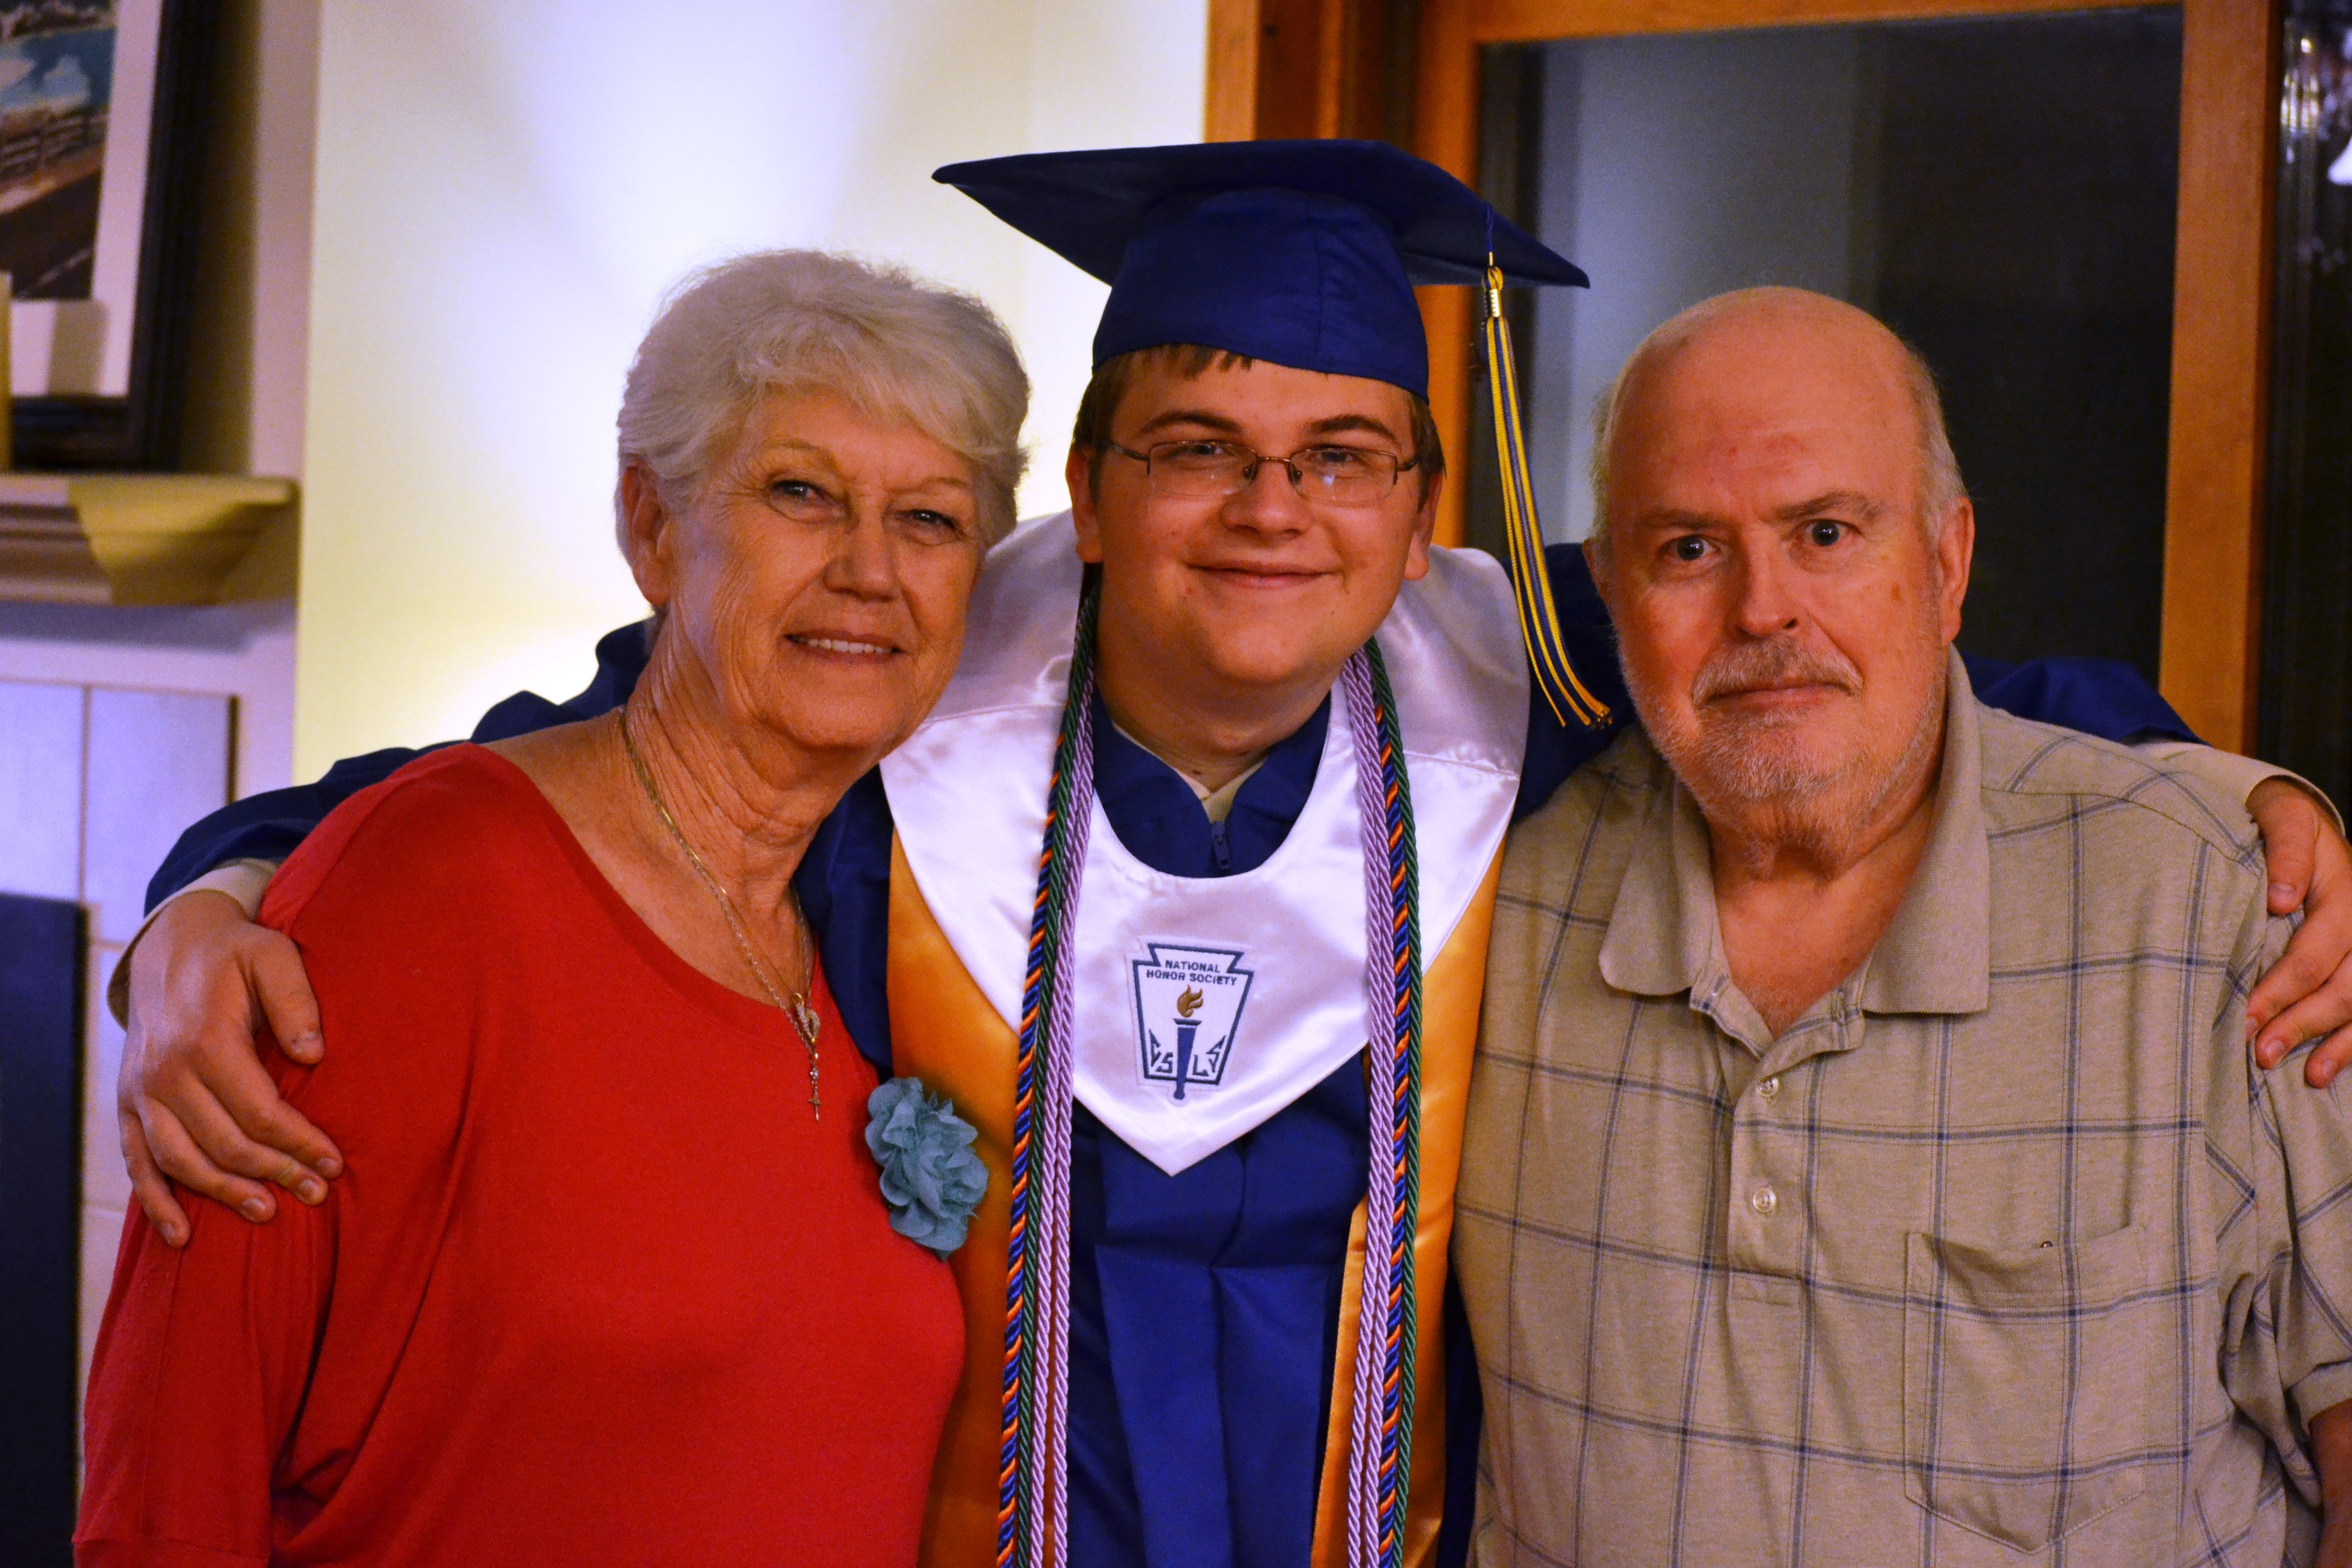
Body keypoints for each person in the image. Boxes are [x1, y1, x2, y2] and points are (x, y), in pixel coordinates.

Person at [108, 145, 2352, 1568]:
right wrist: (201, 905)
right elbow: (512, 775)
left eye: (1343, 455)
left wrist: (2256, 804)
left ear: (1421, 503)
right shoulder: (909, 669)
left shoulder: (1515, 682)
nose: (1277, 511)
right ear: (1090, 489)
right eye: (1198, 448)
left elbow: (1846, 664)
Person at [76, 250, 1027, 1567]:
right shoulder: (435, 887)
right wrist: (202, 897)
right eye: (800, 493)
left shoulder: (900, 906)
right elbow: (172, 1470)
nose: (871, 569)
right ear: (652, 528)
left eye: (930, 519)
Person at [1458, 286, 2352, 1564]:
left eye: (1826, 533)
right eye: (1690, 550)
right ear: (1608, 589)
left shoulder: (2213, 919)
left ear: (1946, 562)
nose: (1763, 610)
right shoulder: (1489, 915)